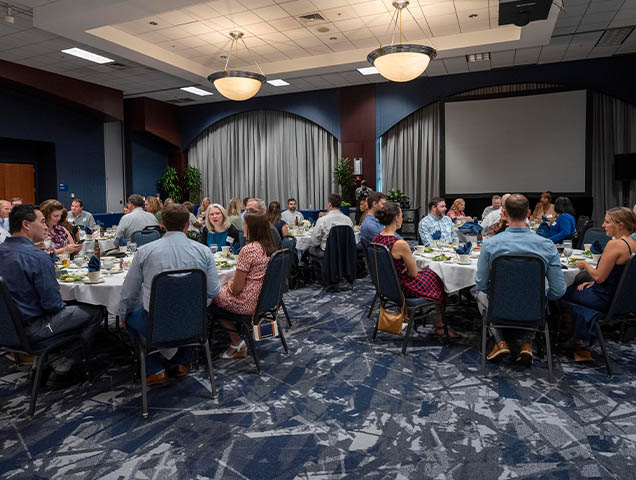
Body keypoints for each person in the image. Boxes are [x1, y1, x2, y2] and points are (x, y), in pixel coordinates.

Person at [0, 204, 102, 386]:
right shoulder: (37, 257)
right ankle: (62, 364)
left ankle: (44, 361)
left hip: (6, 330)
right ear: (26, 225)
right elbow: (53, 306)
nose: (45, 226)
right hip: (33, 331)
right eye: (41, 222)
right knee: (95, 310)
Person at [119, 204, 221, 386]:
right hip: (193, 322)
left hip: (156, 322)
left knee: (129, 317)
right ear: (187, 224)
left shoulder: (145, 252)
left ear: (162, 224)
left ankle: (155, 369)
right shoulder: (204, 251)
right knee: (187, 314)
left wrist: (123, 313)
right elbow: (213, 291)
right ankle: (183, 361)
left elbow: (130, 292)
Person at [475, 194, 566, 365]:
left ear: (504, 213)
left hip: (499, 305)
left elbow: (481, 283)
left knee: (476, 291)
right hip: (533, 308)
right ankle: (527, 343)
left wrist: (501, 294)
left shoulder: (491, 245)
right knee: (536, 295)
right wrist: (542, 296)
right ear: (529, 213)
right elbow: (558, 290)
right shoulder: (546, 246)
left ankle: (499, 341)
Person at [561, 207, 636, 358]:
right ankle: (578, 336)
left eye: (607, 222)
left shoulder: (615, 245)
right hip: (620, 300)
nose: (603, 225)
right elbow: (617, 276)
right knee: (580, 286)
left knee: (561, 291)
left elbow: (599, 277)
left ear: (620, 225)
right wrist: (594, 283)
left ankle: (573, 338)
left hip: (603, 299)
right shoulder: (632, 243)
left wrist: (585, 265)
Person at [371, 202, 454, 337]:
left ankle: (430, 316)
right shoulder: (400, 244)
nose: (402, 219)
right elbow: (414, 273)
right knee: (439, 277)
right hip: (404, 288)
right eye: (402, 216)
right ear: (396, 218)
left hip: (388, 287)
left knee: (432, 274)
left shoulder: (376, 239)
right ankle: (440, 325)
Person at [212, 214, 277, 359]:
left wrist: (229, 283)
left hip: (247, 302)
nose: (243, 227)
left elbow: (236, 289)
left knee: (211, 294)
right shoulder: (269, 247)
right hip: (263, 299)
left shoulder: (248, 250)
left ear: (252, 227)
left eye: (245, 224)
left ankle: (236, 342)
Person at [306, 193, 354, 260]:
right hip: (345, 253)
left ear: (329, 204)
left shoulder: (322, 220)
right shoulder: (348, 220)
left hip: (327, 253)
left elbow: (314, 242)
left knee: (309, 249)